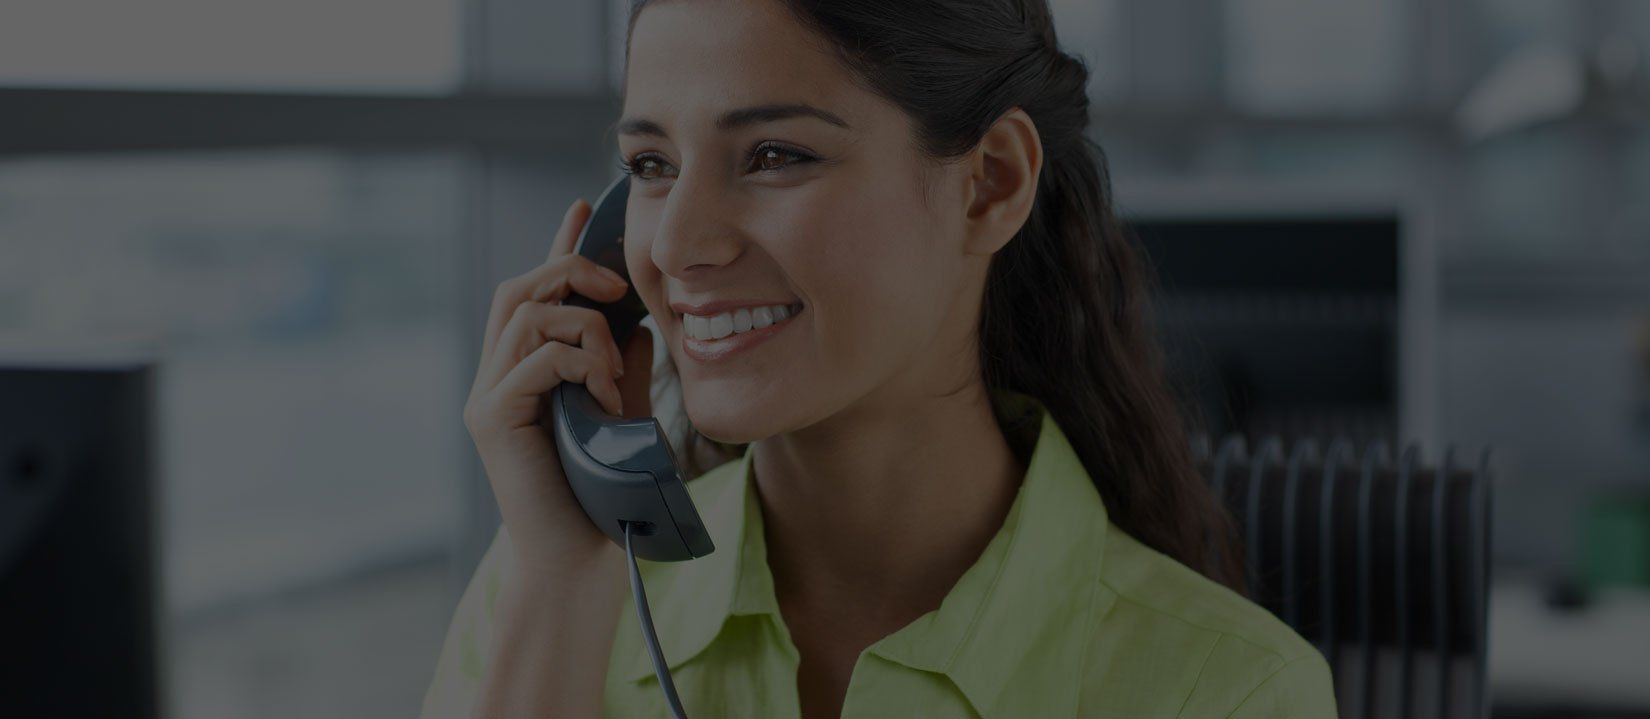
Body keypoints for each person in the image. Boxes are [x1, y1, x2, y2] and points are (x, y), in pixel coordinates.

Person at [422, 0, 1338, 716]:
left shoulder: (1228, 692)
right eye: (654, 166)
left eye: (774, 155)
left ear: (991, 184)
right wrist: (564, 586)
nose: (676, 247)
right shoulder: (548, 583)